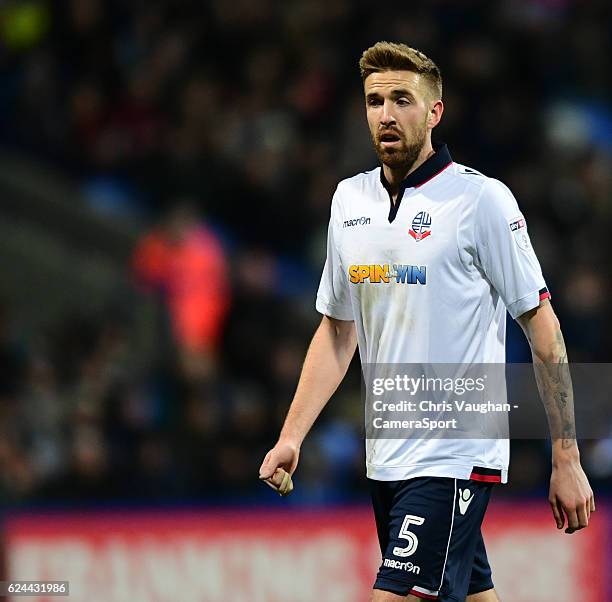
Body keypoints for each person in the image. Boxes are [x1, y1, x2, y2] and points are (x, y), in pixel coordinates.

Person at [259, 41, 594, 602]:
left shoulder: (480, 200)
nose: (386, 114)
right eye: (374, 101)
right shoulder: (349, 201)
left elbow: (544, 328)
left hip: (456, 453)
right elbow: (338, 332)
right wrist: (291, 435)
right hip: (387, 457)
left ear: (434, 112)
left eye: (402, 100)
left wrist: (566, 457)